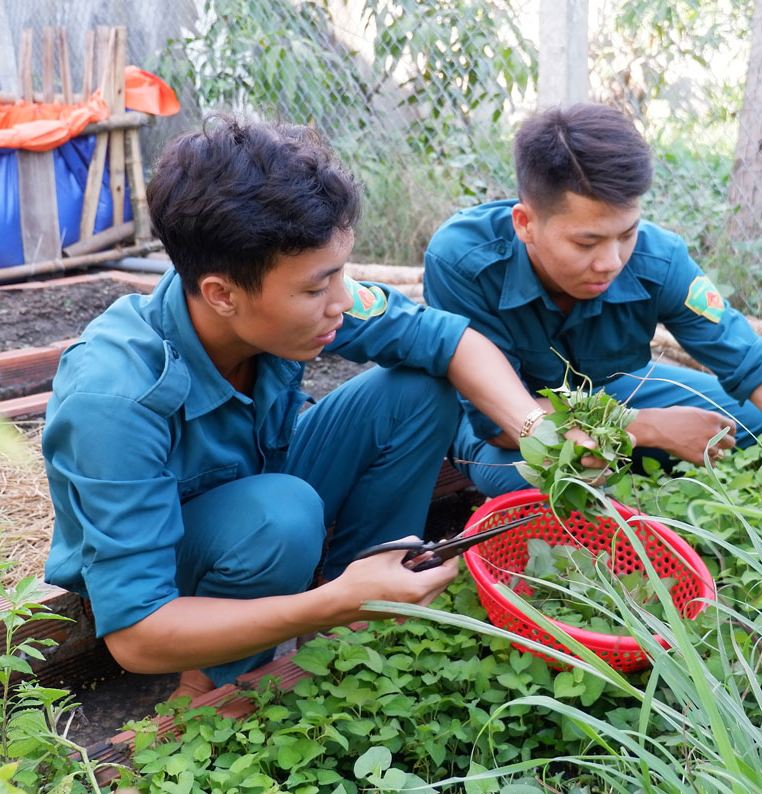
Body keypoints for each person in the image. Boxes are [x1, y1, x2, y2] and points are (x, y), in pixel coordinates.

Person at [42, 117, 576, 699]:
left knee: (417, 392)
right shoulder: (114, 395)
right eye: (316, 288)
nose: (342, 301)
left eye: (340, 273)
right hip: (176, 566)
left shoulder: (280, 301)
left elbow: (448, 340)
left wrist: (535, 426)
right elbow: (137, 636)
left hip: (259, 497)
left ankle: (365, 618)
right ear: (222, 293)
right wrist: (327, 603)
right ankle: (208, 689)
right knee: (281, 515)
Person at [423, 103, 762, 572]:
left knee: (759, 411)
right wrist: (649, 429)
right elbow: (499, 423)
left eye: (626, 234)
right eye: (587, 241)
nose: (610, 262)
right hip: (508, 429)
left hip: (614, 392)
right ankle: (619, 464)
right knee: (529, 472)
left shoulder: (659, 258)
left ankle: (619, 457)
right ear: (524, 223)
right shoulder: (464, 260)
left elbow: (761, 369)